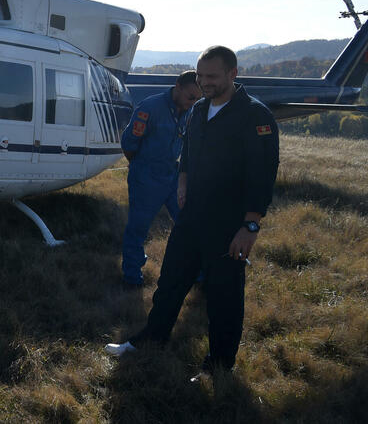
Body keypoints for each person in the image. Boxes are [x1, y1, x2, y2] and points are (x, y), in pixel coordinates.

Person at [105, 46, 279, 377]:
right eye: (200, 76)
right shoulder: (199, 109)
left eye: (212, 77)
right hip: (192, 218)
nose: (204, 83)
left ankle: (218, 366)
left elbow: (263, 174)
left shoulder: (255, 116)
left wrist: (250, 227)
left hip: (229, 225)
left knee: (224, 298)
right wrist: (183, 180)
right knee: (170, 282)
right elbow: (187, 149)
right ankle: (151, 338)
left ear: (233, 74)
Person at [119, 70, 202, 287]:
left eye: (197, 99)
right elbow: (129, 144)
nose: (192, 103)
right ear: (178, 86)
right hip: (146, 176)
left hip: (172, 176)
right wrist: (141, 167)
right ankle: (132, 276)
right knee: (138, 228)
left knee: (188, 222)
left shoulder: (190, 110)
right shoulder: (150, 108)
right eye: (190, 97)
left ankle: (197, 272)